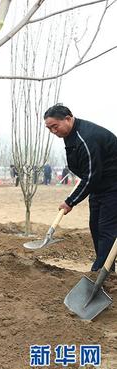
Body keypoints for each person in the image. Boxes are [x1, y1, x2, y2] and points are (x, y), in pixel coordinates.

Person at [44, 104, 117, 272]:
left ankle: (100, 272)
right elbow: (86, 173)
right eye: (49, 129)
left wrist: (71, 201)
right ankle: (107, 270)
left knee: (106, 230)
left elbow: (91, 175)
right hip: (100, 187)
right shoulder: (71, 136)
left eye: (55, 126)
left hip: (113, 186)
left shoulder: (87, 137)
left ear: (68, 119)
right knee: (96, 227)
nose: (53, 131)